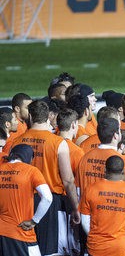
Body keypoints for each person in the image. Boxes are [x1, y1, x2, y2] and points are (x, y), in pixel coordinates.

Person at [13, 100, 80, 256]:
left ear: (29, 116)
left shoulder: (17, 141)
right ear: (49, 118)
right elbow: (68, 181)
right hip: (51, 204)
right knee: (50, 251)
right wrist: (76, 207)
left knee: (28, 249)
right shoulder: (58, 143)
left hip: (23, 202)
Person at [79, 156, 125, 256]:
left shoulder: (91, 189)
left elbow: (85, 220)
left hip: (96, 246)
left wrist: (94, 236)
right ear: (122, 171)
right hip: (120, 246)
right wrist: (120, 237)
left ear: (105, 169)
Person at [0, 144, 52, 256]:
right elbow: (47, 198)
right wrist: (35, 221)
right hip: (21, 232)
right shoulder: (31, 171)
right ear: (29, 158)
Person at [76, 118, 125, 195]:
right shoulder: (122, 161)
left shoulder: (85, 158)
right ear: (115, 136)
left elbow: (78, 189)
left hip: (87, 204)